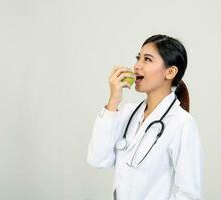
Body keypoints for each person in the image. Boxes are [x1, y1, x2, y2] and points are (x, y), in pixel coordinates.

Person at [87, 34, 203, 200]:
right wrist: (113, 101)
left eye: (147, 60)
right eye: (138, 58)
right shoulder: (128, 113)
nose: (136, 66)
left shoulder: (181, 123)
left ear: (170, 72)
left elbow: (189, 194)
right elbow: (98, 160)